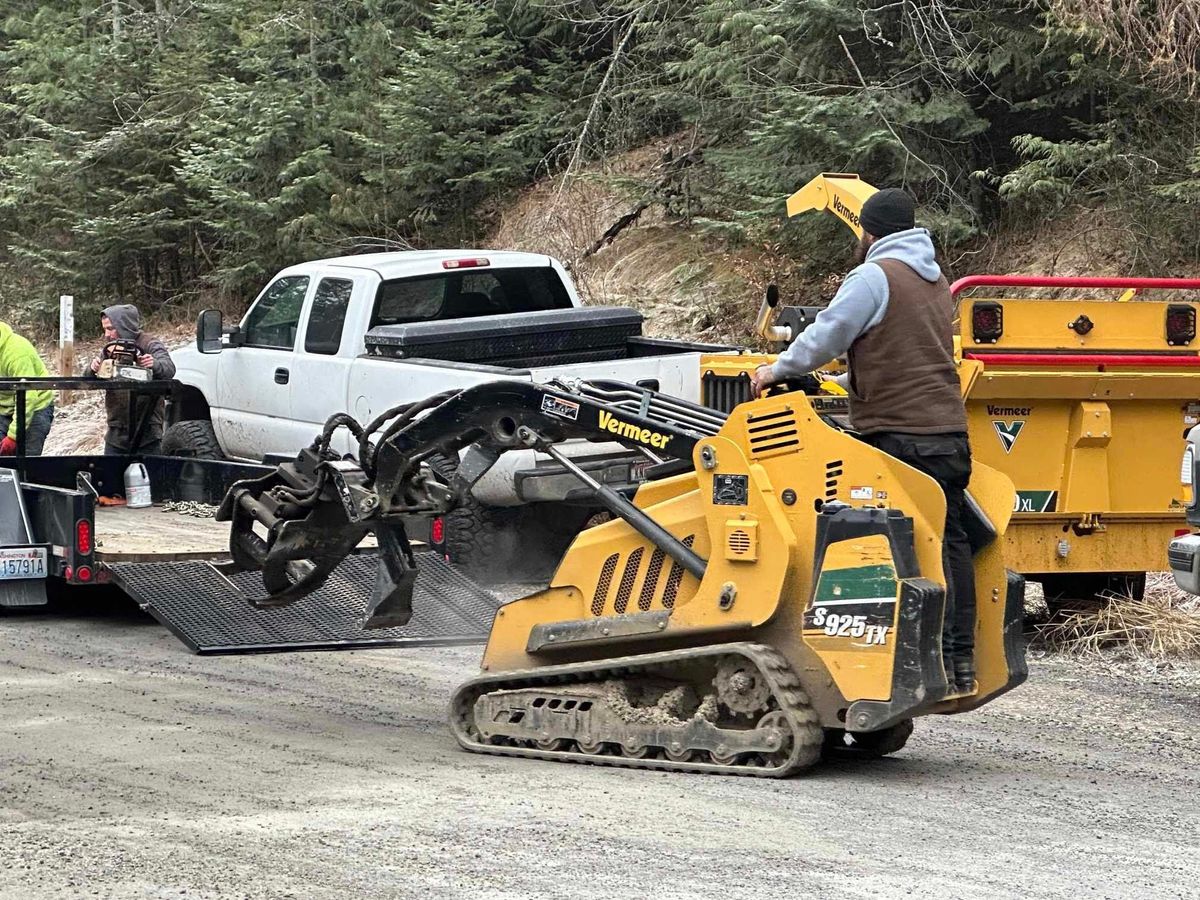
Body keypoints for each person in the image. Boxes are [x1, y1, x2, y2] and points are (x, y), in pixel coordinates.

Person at [751, 188, 976, 693]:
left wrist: (775, 370)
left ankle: (891, 669)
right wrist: (850, 384)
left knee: (885, 547)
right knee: (950, 542)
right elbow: (907, 356)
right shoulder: (936, 279)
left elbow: (827, 335)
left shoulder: (874, 276)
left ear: (868, 232)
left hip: (901, 436)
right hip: (947, 433)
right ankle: (959, 661)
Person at [87, 304, 176, 455]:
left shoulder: (149, 343)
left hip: (147, 431)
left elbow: (169, 369)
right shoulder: (110, 349)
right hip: (116, 432)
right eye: (105, 329)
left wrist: (153, 364)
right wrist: (92, 369)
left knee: (150, 477)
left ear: (123, 326)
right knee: (110, 476)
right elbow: (87, 378)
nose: (106, 335)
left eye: (110, 328)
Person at [0, 321, 55, 456]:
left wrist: (13, 436)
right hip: (4, 406)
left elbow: (28, 396)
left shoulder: (16, 353)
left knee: (27, 463)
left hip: (35, 405)